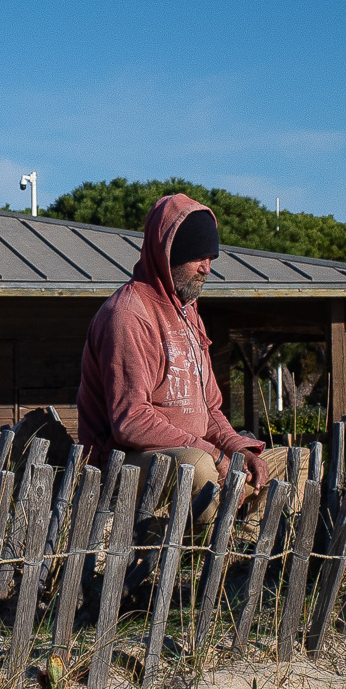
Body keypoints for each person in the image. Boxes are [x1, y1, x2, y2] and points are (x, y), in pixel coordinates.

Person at [77, 193, 280, 521]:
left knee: (280, 463)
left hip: (196, 452)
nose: (207, 268)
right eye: (198, 257)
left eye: (211, 258)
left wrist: (239, 450)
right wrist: (215, 456)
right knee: (199, 470)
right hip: (123, 462)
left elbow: (210, 410)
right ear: (167, 253)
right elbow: (131, 422)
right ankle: (181, 551)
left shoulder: (189, 314)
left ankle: (243, 550)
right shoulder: (129, 315)